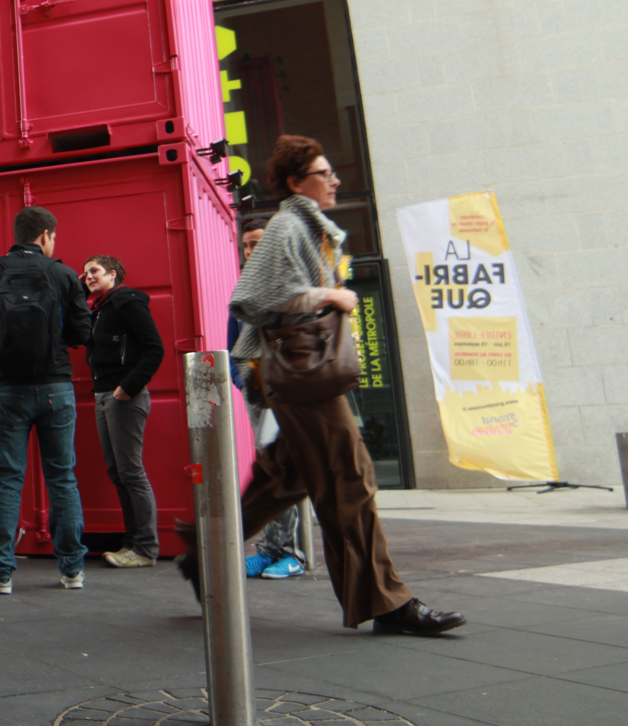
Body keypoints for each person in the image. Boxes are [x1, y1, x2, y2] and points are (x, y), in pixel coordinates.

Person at [182, 135, 465, 636]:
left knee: (285, 477)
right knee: (350, 479)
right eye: (323, 173)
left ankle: (204, 552)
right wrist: (331, 296)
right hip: (302, 375)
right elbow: (253, 298)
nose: (334, 180)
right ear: (297, 182)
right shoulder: (288, 226)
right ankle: (387, 603)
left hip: (304, 372)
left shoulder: (308, 226)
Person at [0, 206, 94, 594]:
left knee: (6, 479)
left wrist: (4, 332)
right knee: (62, 477)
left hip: (8, 390)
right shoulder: (63, 274)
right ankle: (72, 570)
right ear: (46, 235)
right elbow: (82, 333)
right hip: (56, 388)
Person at [230, 217, 306, 581]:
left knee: (284, 469)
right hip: (257, 391)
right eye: (246, 245)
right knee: (270, 469)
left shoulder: (288, 280)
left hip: (286, 390)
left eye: (257, 243)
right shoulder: (244, 286)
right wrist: (241, 380)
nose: (250, 251)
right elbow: (234, 340)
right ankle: (272, 549)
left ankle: (291, 553)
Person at [81, 255, 165, 569]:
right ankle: (132, 544)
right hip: (103, 395)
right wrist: (81, 291)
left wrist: (127, 387)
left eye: (94, 271)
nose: (88, 277)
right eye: (85, 273)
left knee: (130, 472)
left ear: (113, 274)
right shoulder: (98, 309)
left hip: (124, 397)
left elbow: (154, 349)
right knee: (118, 473)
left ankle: (145, 548)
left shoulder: (128, 302)